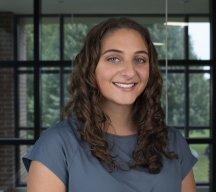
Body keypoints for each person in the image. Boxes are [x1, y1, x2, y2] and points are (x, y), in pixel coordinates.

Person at [23, 17, 197, 192]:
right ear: (90, 67)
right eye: (114, 58)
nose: (130, 72)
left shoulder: (173, 143)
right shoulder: (56, 146)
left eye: (140, 59)